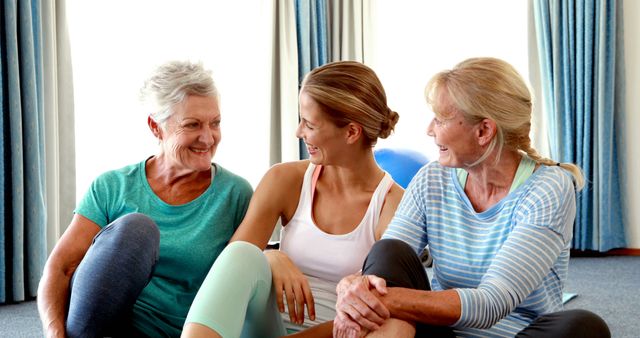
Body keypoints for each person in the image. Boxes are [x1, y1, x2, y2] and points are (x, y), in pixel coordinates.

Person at [333, 57, 611, 338]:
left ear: (483, 131)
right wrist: (353, 285)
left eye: (440, 119)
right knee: (388, 251)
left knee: (584, 328)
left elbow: (491, 303)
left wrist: (378, 299)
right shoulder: (432, 178)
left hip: (516, 334)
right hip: (442, 332)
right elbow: (384, 267)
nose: (430, 129)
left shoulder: (549, 188)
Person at [181, 61, 404, 338]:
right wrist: (270, 256)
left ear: (351, 132)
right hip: (266, 324)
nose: (299, 132)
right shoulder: (285, 180)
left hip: (334, 333)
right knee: (242, 254)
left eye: (309, 124)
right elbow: (232, 265)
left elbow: (374, 316)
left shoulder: (392, 207)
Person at [37, 60, 253, 338]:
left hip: (177, 332)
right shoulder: (112, 186)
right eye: (192, 125)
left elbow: (244, 277)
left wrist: (275, 259)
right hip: (102, 326)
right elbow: (61, 267)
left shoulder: (236, 195)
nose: (208, 137)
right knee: (137, 230)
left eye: (215, 123)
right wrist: (54, 334)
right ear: (156, 127)